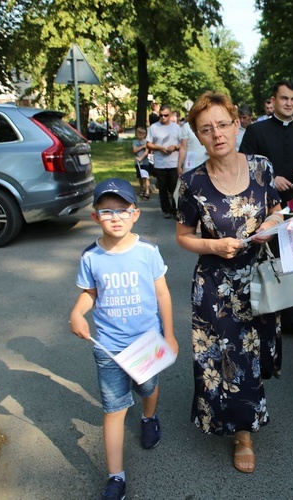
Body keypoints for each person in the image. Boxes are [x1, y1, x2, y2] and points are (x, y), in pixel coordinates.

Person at [176, 91, 284, 474]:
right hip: (215, 286)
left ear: (237, 125)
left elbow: (275, 209)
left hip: (258, 278)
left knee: (254, 357)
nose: (217, 133)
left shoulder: (261, 167)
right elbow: (183, 236)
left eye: (223, 124)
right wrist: (213, 245)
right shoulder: (191, 183)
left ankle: (243, 418)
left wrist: (270, 227)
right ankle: (243, 435)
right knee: (226, 360)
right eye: (207, 129)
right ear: (198, 137)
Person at [69, 178, 178, 499]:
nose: (115, 217)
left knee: (147, 387)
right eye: (106, 211)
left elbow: (162, 293)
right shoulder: (91, 257)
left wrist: (169, 335)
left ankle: (148, 416)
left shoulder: (147, 252)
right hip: (109, 349)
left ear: (135, 214)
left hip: (146, 343)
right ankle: (115, 477)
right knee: (113, 410)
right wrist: (77, 312)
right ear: (94, 217)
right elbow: (90, 293)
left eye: (122, 210)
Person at [240, 79, 293, 337]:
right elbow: (244, 165)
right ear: (273, 100)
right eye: (284, 98)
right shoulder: (256, 131)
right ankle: (266, 308)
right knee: (266, 257)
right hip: (264, 204)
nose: (289, 104)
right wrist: (271, 178)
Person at [145, 105, 182, 219]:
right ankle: (166, 210)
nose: (163, 117)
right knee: (162, 188)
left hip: (173, 162)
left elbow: (183, 144)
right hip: (160, 163)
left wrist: (175, 147)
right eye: (161, 115)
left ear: (170, 115)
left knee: (175, 188)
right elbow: (148, 143)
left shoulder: (176, 128)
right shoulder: (154, 127)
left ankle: (175, 209)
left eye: (166, 115)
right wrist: (159, 148)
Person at [132, 127, 152, 199]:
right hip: (138, 163)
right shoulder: (135, 142)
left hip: (145, 162)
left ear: (145, 135)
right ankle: (142, 188)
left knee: (146, 177)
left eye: (142, 134)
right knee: (140, 177)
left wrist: (141, 157)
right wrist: (142, 146)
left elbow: (146, 152)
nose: (140, 135)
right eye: (139, 133)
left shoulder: (147, 142)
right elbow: (134, 150)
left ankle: (147, 191)